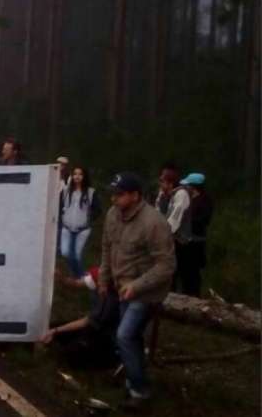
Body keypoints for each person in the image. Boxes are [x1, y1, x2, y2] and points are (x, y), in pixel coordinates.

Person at [98, 172, 175, 408]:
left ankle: (140, 390)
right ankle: (134, 381)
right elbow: (107, 247)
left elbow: (167, 265)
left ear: (135, 196)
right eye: (114, 194)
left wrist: (137, 285)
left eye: (120, 195)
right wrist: (104, 278)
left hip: (147, 292)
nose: (114, 199)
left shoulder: (154, 223)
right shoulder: (113, 215)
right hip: (122, 288)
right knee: (129, 337)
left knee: (125, 335)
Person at [41, 266, 121, 369]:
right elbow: (76, 283)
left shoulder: (110, 301)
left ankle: (107, 361)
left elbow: (86, 322)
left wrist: (56, 330)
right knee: (54, 328)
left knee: (71, 353)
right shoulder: (102, 281)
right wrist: (61, 278)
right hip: (93, 326)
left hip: (103, 336)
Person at [174, 173, 212, 297]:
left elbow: (203, 220)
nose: (185, 188)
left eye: (187, 186)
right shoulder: (190, 200)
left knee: (192, 277)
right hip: (185, 243)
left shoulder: (205, 201)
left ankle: (194, 301)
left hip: (195, 245)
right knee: (183, 274)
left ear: (193, 186)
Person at [60, 167, 102, 278]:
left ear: (84, 177)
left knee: (76, 256)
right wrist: (62, 216)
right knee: (65, 252)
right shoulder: (65, 191)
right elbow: (59, 206)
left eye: (80, 174)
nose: (77, 176)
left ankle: (80, 279)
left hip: (82, 229)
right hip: (67, 227)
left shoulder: (90, 192)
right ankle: (80, 276)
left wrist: (89, 218)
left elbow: (98, 210)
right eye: (75, 174)